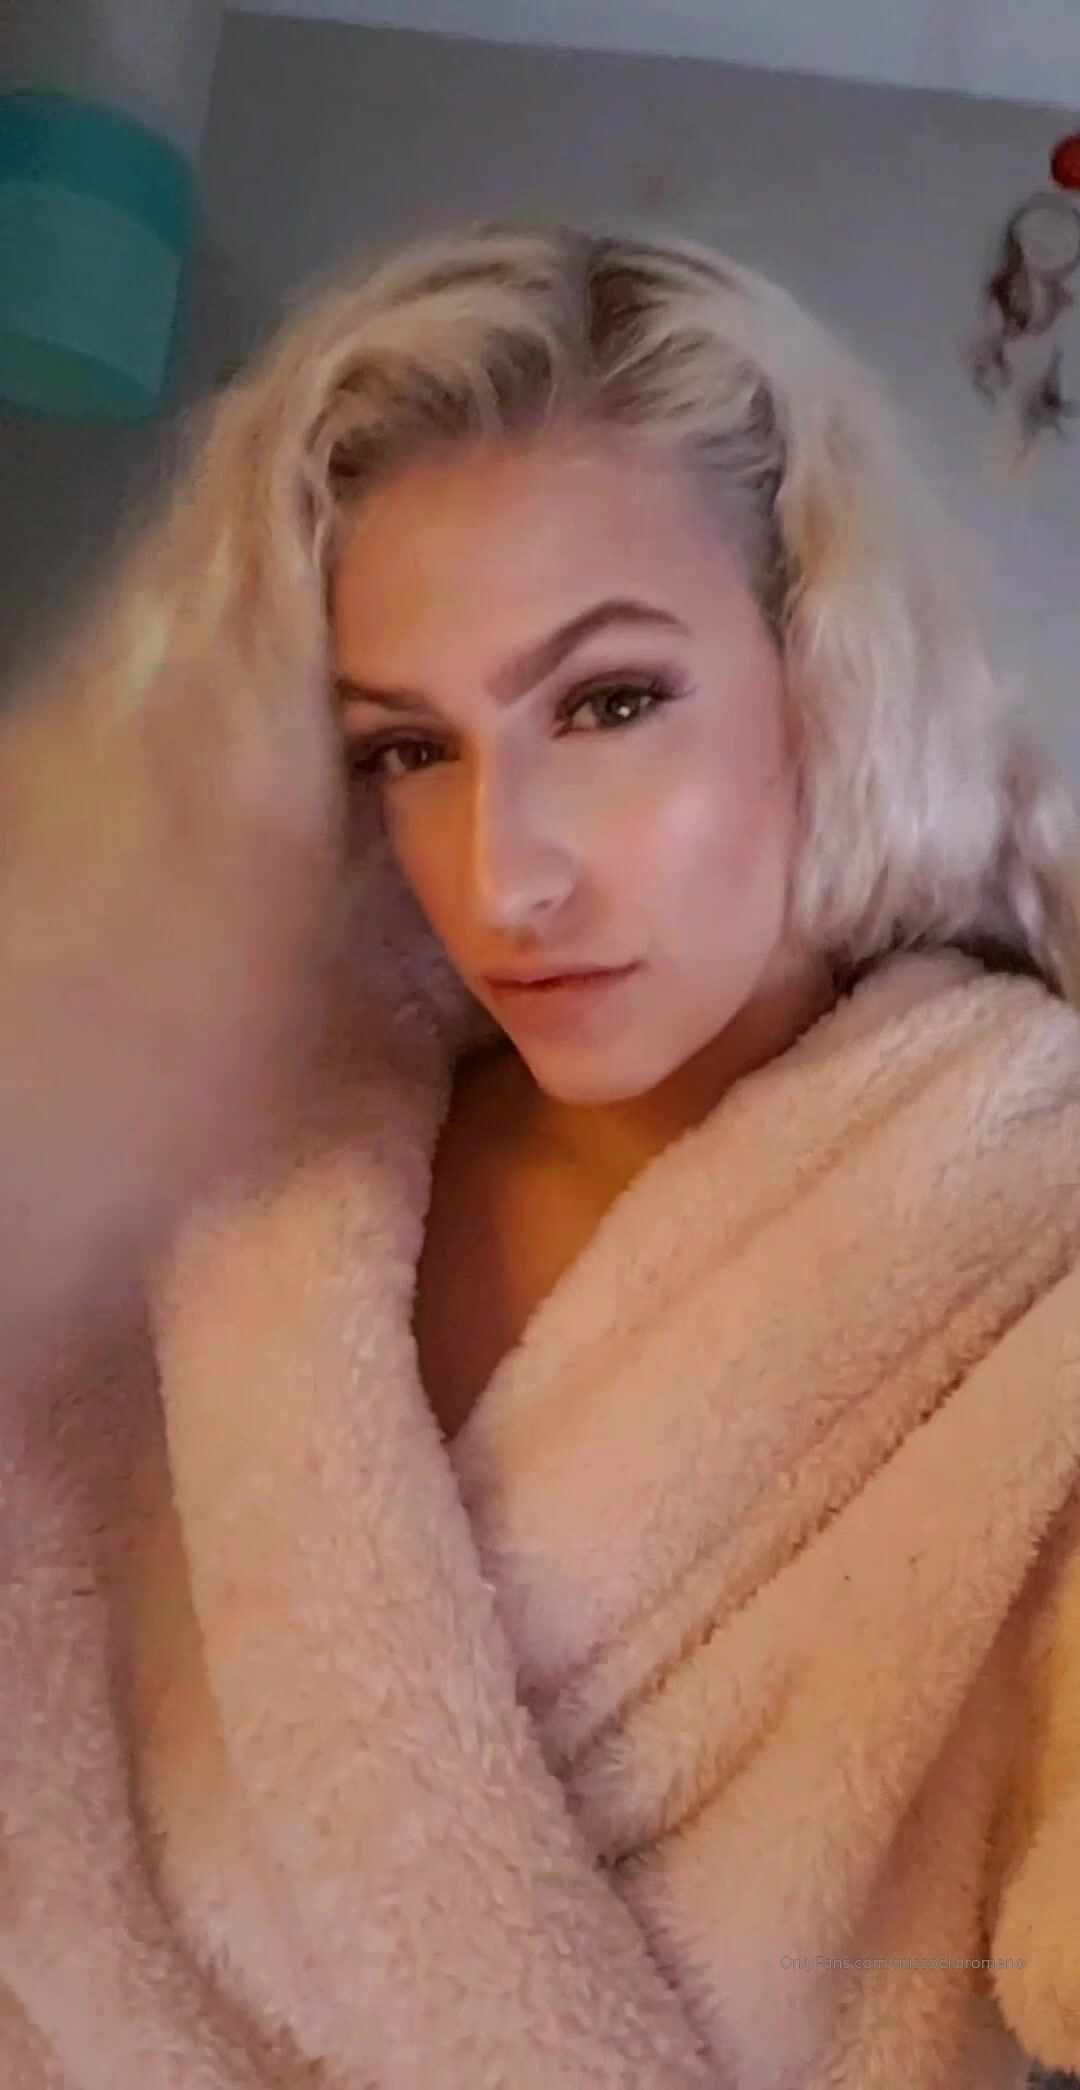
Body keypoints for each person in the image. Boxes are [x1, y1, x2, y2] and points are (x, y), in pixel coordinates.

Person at [1, 220, 1079, 2089]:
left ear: (823, 672)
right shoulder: (221, 1170)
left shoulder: (1025, 1238)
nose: (506, 875)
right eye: (410, 748)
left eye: (609, 703)